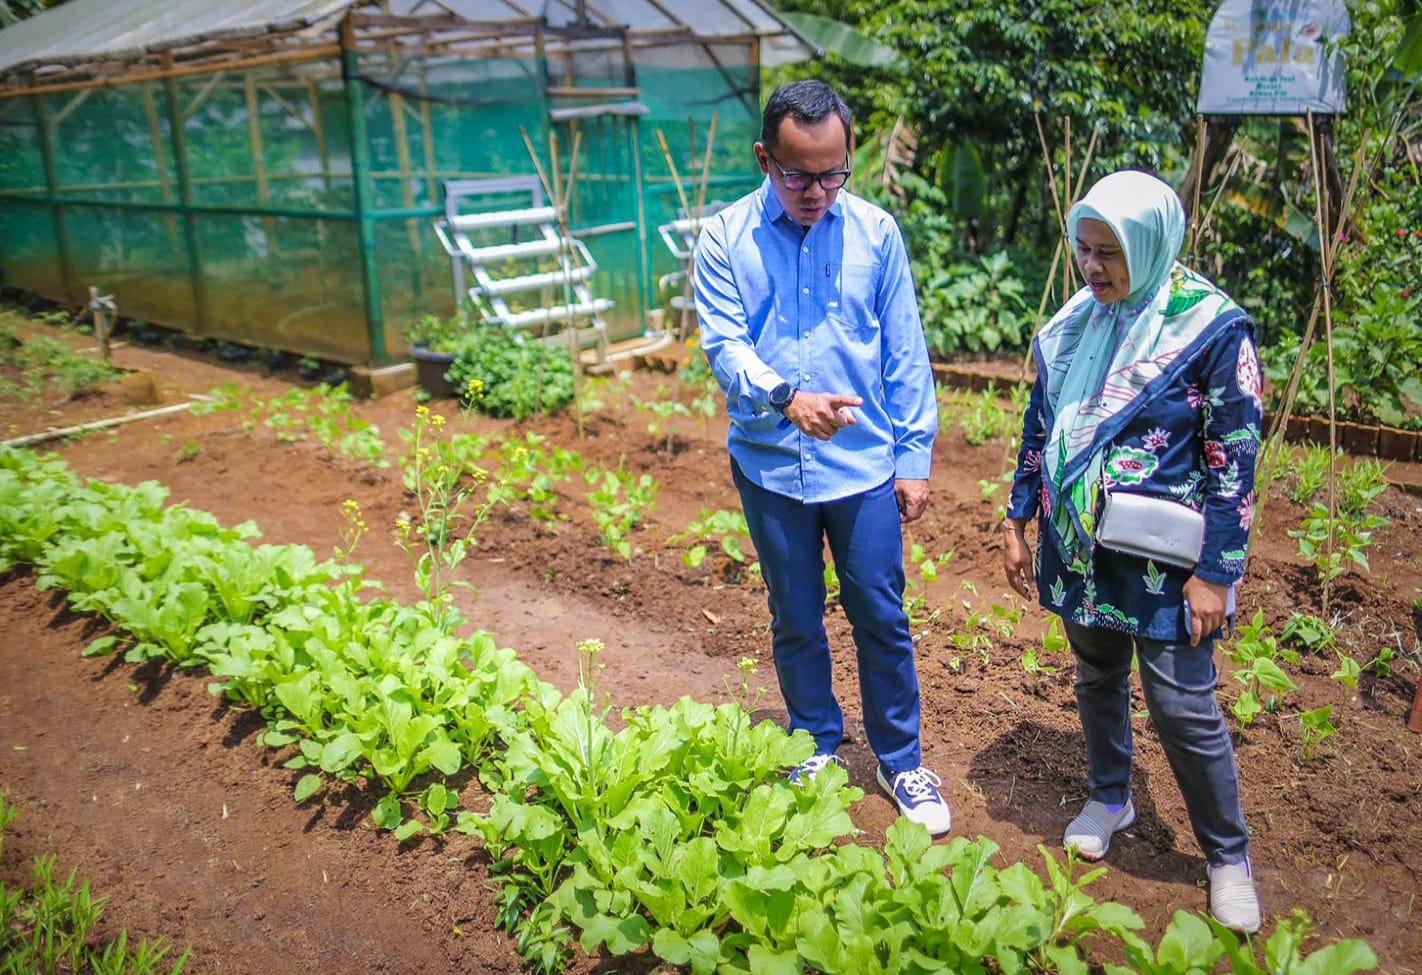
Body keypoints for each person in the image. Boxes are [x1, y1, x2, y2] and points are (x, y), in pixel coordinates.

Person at [1001, 169, 1263, 933]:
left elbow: (1234, 457)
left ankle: (1226, 855)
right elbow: (1039, 425)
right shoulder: (1077, 323)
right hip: (1083, 551)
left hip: (1166, 564)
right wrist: (1017, 519)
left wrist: (1216, 573)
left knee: (1183, 705)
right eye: (1084, 250)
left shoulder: (1209, 329)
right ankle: (1110, 794)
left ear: (1148, 245)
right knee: (1096, 675)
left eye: (1109, 252)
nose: (1093, 268)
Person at [693, 79, 950, 836]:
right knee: (795, 614)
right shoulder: (725, 236)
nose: (816, 191)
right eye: (798, 174)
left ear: (849, 159)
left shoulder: (877, 233)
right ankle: (816, 742)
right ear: (765, 158)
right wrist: (786, 397)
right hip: (771, 462)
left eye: (832, 173)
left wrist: (915, 454)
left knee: (880, 613)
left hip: (864, 465)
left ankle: (902, 760)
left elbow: (905, 348)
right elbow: (725, 344)